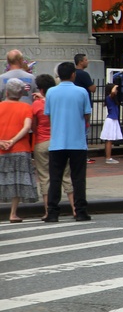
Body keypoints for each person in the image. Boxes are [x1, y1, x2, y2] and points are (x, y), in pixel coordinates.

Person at [42, 62, 92, 222]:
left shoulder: (51, 92)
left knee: (55, 178)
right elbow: (87, 115)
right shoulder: (81, 91)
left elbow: (48, 115)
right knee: (78, 178)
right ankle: (81, 211)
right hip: (77, 141)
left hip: (57, 141)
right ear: (73, 74)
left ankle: (53, 211)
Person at [32, 74, 72, 215]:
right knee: (66, 175)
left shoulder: (36, 104)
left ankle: (48, 211)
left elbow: (34, 126)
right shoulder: (58, 101)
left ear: (41, 89)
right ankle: (75, 208)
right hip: (59, 140)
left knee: (44, 177)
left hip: (42, 141)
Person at [0, 78, 37, 222]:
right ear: (21, 93)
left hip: (1, 148)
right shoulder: (26, 107)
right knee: (18, 180)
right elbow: (27, 127)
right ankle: (13, 213)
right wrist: (13, 141)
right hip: (20, 148)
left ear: (7, 92)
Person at [100, 83, 122, 164]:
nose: (116, 91)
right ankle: (108, 158)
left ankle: (108, 157)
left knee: (110, 140)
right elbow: (112, 93)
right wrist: (115, 86)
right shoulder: (109, 97)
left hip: (113, 119)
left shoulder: (112, 99)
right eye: (115, 89)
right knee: (109, 139)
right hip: (111, 120)